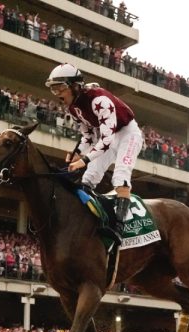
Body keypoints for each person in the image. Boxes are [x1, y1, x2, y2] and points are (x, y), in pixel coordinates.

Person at [45, 63, 144, 240]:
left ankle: (119, 227)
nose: (58, 94)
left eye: (60, 88)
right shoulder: (73, 108)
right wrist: (78, 152)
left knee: (120, 176)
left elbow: (106, 140)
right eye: (54, 90)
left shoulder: (100, 100)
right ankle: (86, 221)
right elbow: (88, 138)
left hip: (128, 134)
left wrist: (83, 161)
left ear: (75, 86)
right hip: (107, 137)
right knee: (87, 179)